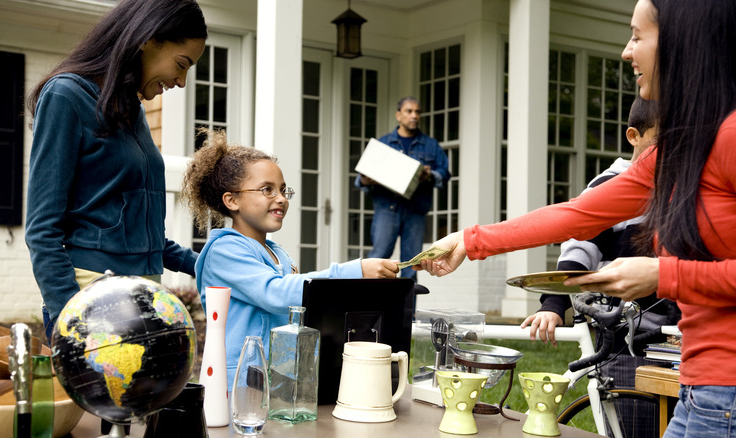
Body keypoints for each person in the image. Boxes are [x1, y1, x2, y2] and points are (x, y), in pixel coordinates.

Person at [416, 0, 736, 435]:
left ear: (682, 43)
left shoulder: (730, 139)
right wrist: (469, 241)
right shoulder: (677, 153)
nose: (626, 51)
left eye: (638, 36)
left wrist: (664, 274)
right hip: (701, 388)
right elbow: (578, 214)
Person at [25, 0, 207, 343]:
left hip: (145, 301)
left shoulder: (131, 109)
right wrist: (73, 320)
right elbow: (42, 231)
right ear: (146, 39)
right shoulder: (67, 96)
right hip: (92, 302)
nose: (182, 81)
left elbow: (140, 233)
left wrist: (208, 261)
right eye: (181, 64)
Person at [181, 129, 399, 386]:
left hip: (277, 381)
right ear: (232, 200)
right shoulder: (224, 251)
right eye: (267, 190)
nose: (282, 199)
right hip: (237, 385)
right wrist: (353, 271)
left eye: (284, 190)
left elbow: (300, 303)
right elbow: (277, 294)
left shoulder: (277, 252)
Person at [521, 96, 677, 438]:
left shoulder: (677, 189)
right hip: (623, 342)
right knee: (635, 427)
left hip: (675, 341)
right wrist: (553, 304)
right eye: (661, 141)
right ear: (633, 136)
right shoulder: (608, 186)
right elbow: (578, 249)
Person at [355, 97, 450, 281]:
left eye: (417, 112)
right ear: (399, 115)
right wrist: (365, 180)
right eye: (409, 111)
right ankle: (369, 307)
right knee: (378, 259)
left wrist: (430, 176)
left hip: (415, 211)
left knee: (412, 265)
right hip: (386, 210)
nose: (414, 115)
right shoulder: (382, 144)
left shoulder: (431, 145)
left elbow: (445, 174)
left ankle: (408, 311)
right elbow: (360, 180)